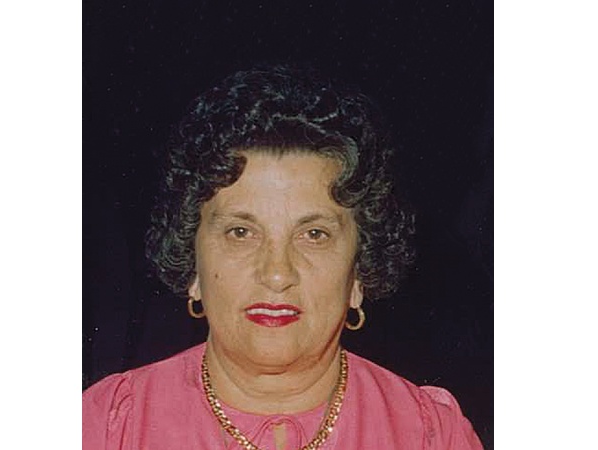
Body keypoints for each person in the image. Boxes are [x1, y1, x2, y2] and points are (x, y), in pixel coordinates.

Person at [83, 64, 484, 449]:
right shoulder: (107, 426)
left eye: (314, 235)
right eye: (241, 232)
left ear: (359, 273)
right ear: (192, 265)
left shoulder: (431, 435)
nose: (277, 274)